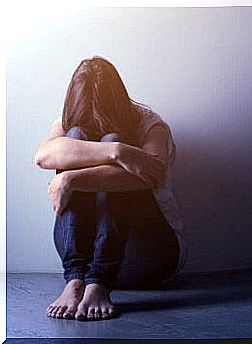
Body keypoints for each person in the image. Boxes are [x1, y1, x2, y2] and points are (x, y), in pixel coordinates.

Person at [34, 56, 187, 321]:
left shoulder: (150, 125)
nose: (94, 121)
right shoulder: (67, 121)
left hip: (147, 257)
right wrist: (117, 153)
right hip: (80, 263)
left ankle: (100, 281)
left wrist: (72, 178)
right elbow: (43, 157)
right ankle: (75, 281)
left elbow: (151, 174)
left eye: (101, 115)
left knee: (113, 139)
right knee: (75, 137)